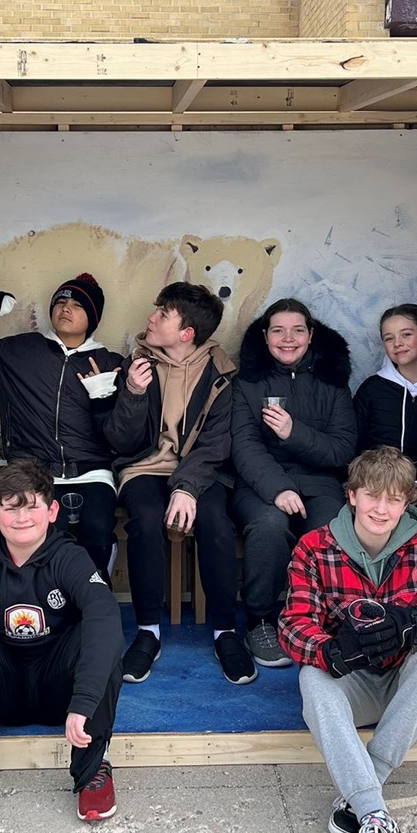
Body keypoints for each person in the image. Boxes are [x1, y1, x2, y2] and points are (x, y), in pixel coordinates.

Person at [279, 447, 417, 833]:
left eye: (393, 499)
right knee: (312, 675)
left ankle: (366, 802)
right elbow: (294, 624)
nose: (382, 508)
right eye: (372, 495)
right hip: (354, 683)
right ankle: (375, 814)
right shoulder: (315, 547)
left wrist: (416, 624)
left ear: (407, 503)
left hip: (406, 687)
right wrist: (329, 650)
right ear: (352, 496)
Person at [0, 459, 124, 824]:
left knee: (99, 632)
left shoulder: (70, 558)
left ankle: (91, 768)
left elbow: (104, 616)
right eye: (11, 507)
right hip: (5, 690)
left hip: (60, 693)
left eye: (31, 506)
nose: (22, 517)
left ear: (52, 511)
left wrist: (85, 700)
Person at [103, 283, 248, 684]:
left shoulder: (221, 373)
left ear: (187, 333)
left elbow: (217, 445)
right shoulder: (137, 364)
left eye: (163, 314)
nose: (151, 318)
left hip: (202, 472)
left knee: (216, 522)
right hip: (145, 468)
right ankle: (148, 631)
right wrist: (132, 393)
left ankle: (225, 631)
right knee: (146, 519)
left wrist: (185, 487)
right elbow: (120, 440)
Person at [0, 273, 125, 574]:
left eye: (77, 305)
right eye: (61, 301)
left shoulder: (109, 362)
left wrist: (106, 397)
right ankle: (47, 607)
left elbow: (124, 432)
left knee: (96, 530)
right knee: (46, 534)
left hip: (92, 470)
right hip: (33, 468)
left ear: (93, 318)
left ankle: (95, 600)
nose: (66, 308)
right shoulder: (20, 351)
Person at [231, 298, 357, 669]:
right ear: (265, 337)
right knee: (269, 525)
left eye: (297, 330)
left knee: (330, 530)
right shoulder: (247, 383)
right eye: (278, 331)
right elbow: (244, 445)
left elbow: (342, 449)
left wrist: (293, 433)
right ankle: (262, 621)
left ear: (311, 335)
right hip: (259, 483)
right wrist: (278, 489)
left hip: (319, 482)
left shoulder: (332, 382)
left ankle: (318, 621)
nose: (288, 339)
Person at [354, 303, 417, 505]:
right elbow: (355, 450)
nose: (398, 343)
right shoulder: (371, 390)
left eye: (406, 334)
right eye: (389, 338)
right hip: (376, 496)